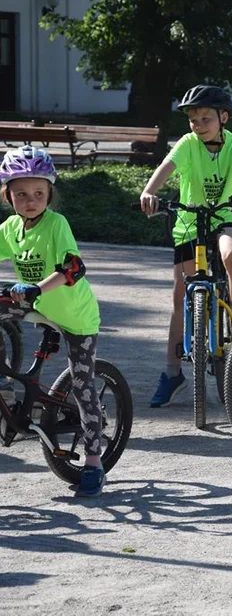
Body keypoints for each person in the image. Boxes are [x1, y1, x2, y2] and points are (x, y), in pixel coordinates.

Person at [140, 85, 232, 408]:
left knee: (231, 255)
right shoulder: (187, 144)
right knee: (180, 294)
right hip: (190, 223)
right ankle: (172, 372)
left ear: (223, 117)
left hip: (224, 217)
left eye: (206, 118)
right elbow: (165, 168)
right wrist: (150, 191)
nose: (198, 125)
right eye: (193, 119)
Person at [0, 147, 106, 496]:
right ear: (8, 195)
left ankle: (93, 462)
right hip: (37, 306)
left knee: (82, 385)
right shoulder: (11, 228)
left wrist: (35, 287)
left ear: (49, 194)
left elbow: (73, 268)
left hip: (75, 315)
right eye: (21, 194)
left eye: (39, 194)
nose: (30, 201)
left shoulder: (56, 224)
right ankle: (5, 386)